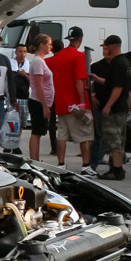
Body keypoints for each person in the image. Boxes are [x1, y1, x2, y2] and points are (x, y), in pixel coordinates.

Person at [47, 26, 92, 172]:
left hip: (61, 104)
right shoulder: (78, 56)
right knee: (85, 135)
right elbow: (79, 81)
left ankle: (61, 164)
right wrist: (82, 102)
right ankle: (85, 166)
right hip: (75, 105)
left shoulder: (57, 57)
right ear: (80, 39)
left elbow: (44, 67)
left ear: (69, 39)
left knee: (62, 135)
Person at [95, 35, 131, 181]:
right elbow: (114, 83)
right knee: (119, 138)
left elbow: (117, 87)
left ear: (112, 46)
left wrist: (108, 105)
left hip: (115, 109)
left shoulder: (117, 64)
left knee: (114, 139)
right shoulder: (125, 62)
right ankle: (116, 167)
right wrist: (98, 79)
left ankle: (116, 170)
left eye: (106, 46)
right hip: (121, 107)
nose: (105, 49)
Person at [25, 33, 54, 162]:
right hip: (38, 102)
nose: (51, 47)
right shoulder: (37, 62)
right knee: (36, 132)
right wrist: (44, 106)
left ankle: (35, 159)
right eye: (49, 44)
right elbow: (38, 85)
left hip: (41, 102)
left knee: (38, 132)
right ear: (42, 45)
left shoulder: (40, 61)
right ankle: (34, 160)